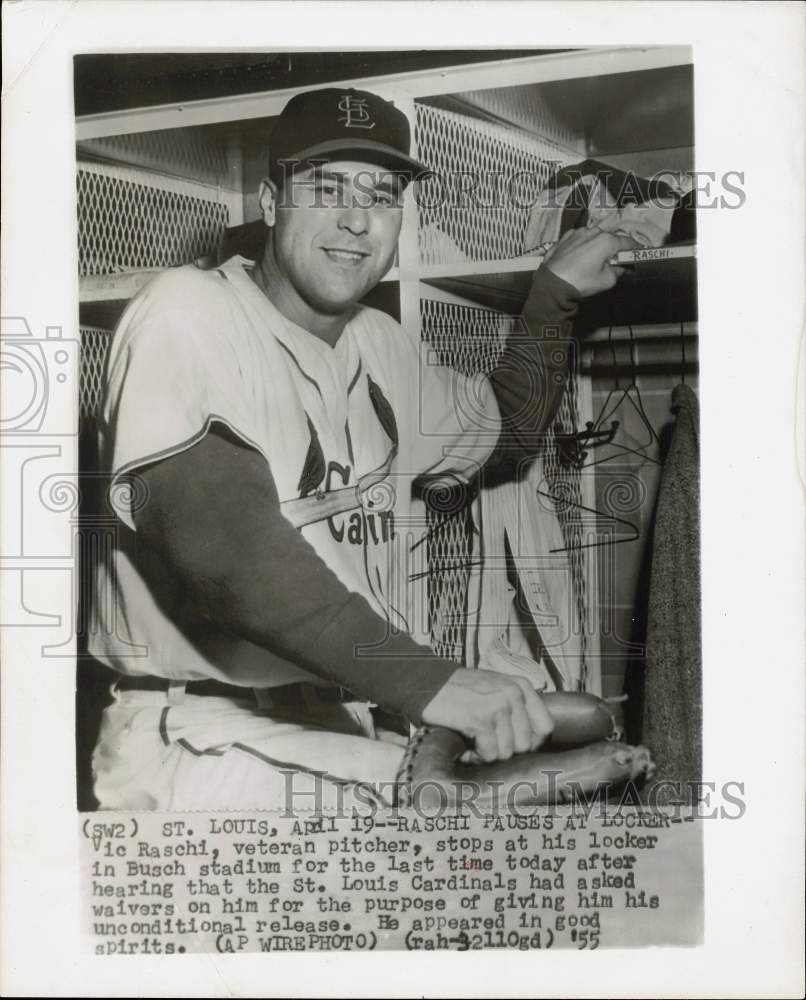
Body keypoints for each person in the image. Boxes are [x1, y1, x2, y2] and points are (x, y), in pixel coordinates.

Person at [89, 87, 634, 810]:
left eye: (381, 193)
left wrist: (554, 295)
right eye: (326, 187)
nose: (356, 218)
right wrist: (431, 682)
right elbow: (225, 546)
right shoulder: (187, 312)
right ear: (271, 199)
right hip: (198, 732)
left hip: (341, 717)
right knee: (479, 831)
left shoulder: (380, 344)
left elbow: (511, 426)